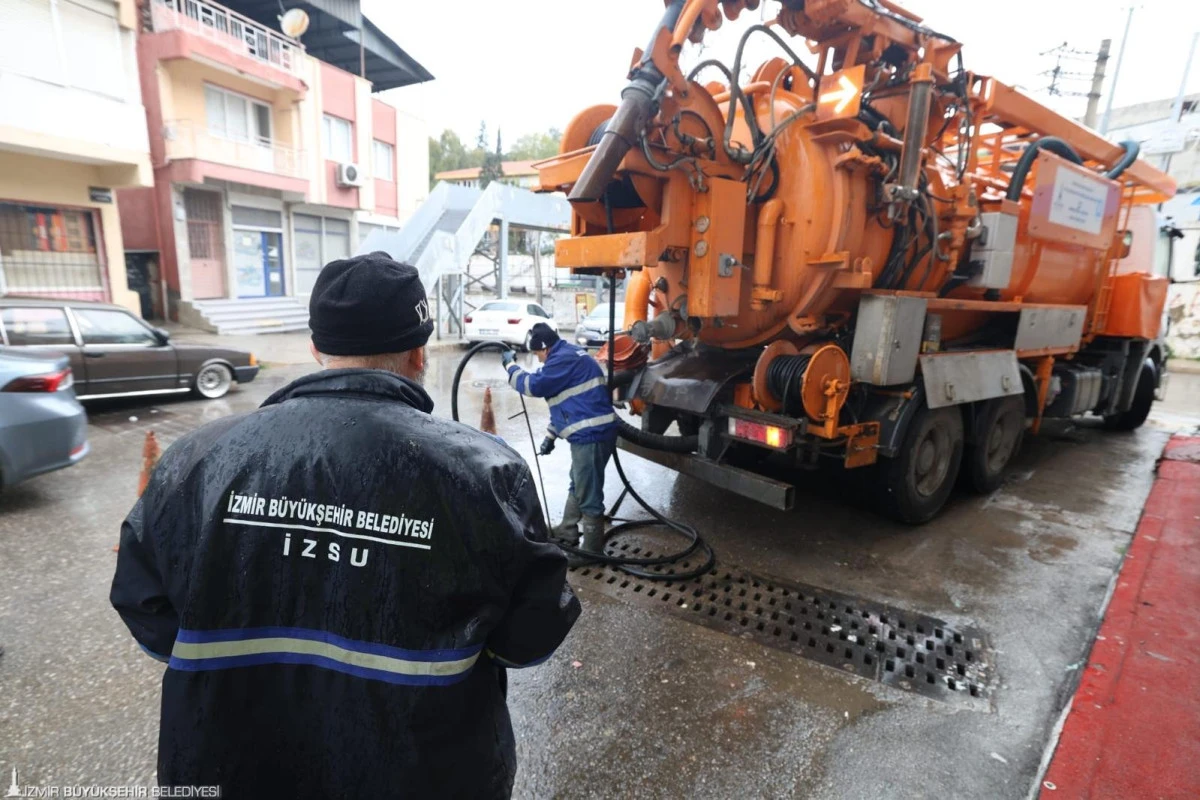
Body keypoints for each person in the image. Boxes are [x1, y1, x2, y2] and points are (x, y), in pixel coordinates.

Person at [110, 253, 580, 799]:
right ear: (419, 351)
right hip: (424, 778)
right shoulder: (484, 473)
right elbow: (532, 633)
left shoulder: (196, 460)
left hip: (228, 770)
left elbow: (143, 602)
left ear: (317, 348)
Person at [503, 323, 618, 565]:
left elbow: (533, 386)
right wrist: (550, 436)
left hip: (591, 436)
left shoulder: (560, 361)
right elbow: (569, 402)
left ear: (544, 348)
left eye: (537, 354)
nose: (539, 360)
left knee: (588, 493)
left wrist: (510, 366)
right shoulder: (570, 354)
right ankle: (567, 531)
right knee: (578, 483)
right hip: (595, 432)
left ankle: (592, 551)